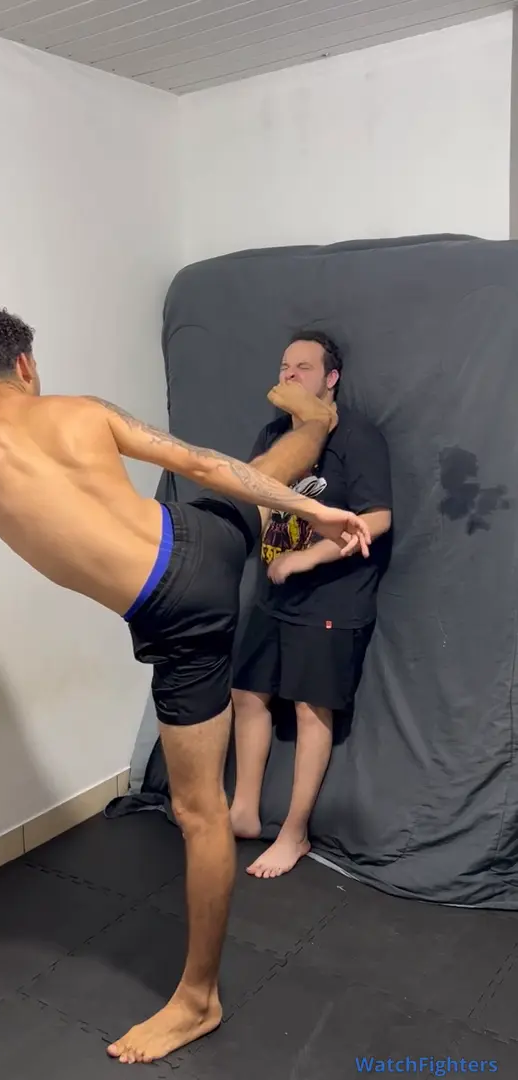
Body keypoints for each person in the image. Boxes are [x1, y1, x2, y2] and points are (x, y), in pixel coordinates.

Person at [0, 309, 371, 1065]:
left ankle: (198, 1002)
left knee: (199, 812)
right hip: (192, 539)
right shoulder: (84, 411)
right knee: (249, 485)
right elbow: (204, 463)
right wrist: (313, 506)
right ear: (25, 365)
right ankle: (316, 423)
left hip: (179, 614)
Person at [230, 329, 392, 879]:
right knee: (247, 693)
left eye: (303, 367)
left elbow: (377, 518)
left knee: (309, 708)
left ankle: (294, 833)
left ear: (331, 378)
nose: (290, 375)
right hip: (271, 594)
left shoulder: (358, 436)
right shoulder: (275, 434)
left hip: (331, 598)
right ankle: (244, 811)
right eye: (285, 366)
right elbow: (255, 494)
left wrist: (306, 558)